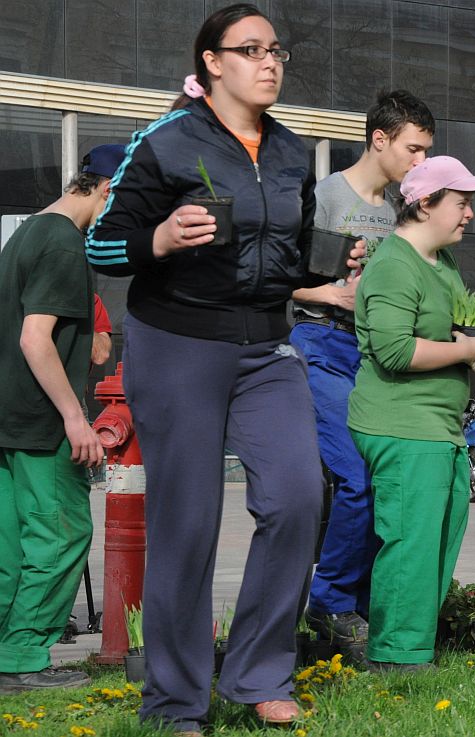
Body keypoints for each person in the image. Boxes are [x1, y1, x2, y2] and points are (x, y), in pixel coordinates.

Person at [85, 5, 355, 732]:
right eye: (251, 50)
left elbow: (287, 259)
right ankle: (175, 700)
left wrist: (327, 265)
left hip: (267, 345)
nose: (269, 63)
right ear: (212, 62)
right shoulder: (165, 141)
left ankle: (258, 672)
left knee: (298, 496)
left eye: (276, 51)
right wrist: (162, 238)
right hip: (177, 342)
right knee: (189, 522)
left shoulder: (292, 152)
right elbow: (101, 244)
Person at [291, 90, 435, 654]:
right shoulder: (326, 197)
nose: (420, 162)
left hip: (373, 354)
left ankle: (367, 602)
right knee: (356, 474)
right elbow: (280, 280)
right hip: (322, 343)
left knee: (384, 474)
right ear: (379, 139)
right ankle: (329, 602)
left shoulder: (398, 211)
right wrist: (332, 293)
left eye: (426, 152)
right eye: (413, 150)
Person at [347, 156, 475, 670]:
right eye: (462, 203)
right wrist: (464, 350)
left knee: (440, 533)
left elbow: (455, 327)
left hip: (439, 426)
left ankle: (413, 645)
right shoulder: (394, 265)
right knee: (412, 539)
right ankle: (395, 655)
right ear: (425, 204)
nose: (469, 214)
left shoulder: (442, 262)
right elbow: (394, 350)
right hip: (401, 423)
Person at [0, 145, 119, 694]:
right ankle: (23, 657)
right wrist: (74, 417)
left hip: (9, 418)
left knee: (11, 546)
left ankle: (8, 653)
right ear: (106, 189)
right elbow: (35, 338)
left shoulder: (25, 233)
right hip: (43, 422)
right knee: (61, 535)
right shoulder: (65, 242)